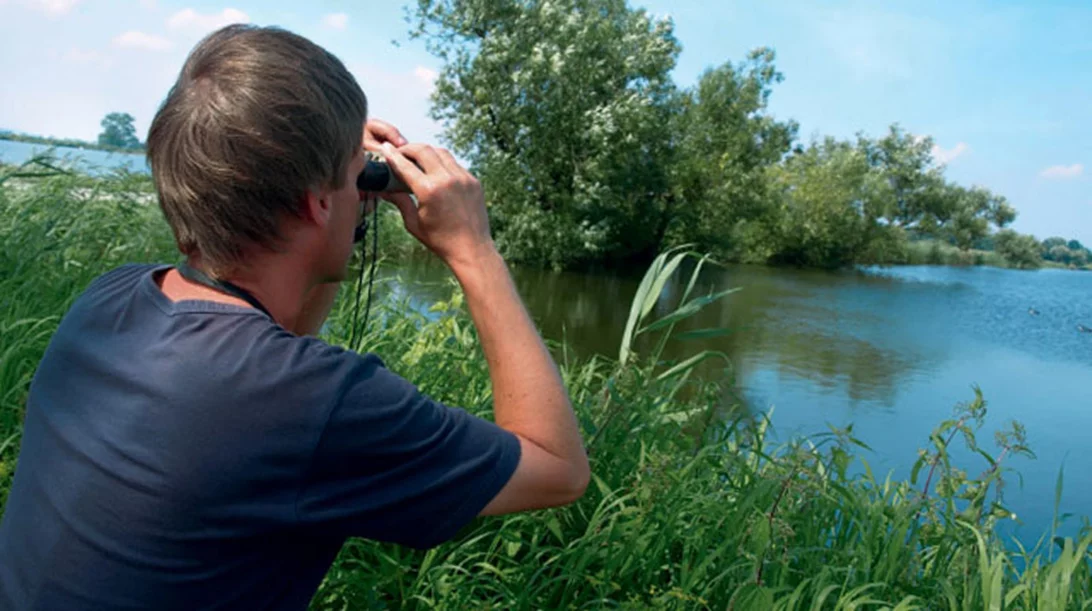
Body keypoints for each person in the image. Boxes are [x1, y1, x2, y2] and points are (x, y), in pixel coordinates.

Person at [0, 24, 589, 610]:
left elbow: (270, 338)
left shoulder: (112, 299)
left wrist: (332, 182)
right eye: (353, 177)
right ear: (317, 203)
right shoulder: (318, 399)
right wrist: (474, 249)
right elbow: (556, 468)